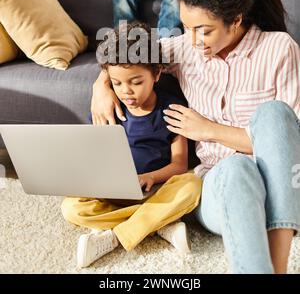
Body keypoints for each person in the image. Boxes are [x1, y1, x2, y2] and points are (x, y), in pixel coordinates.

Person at [91, 0, 300, 274]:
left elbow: (288, 142)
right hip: (221, 187)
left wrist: (210, 130)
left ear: (236, 20)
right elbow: (128, 58)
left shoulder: (278, 49)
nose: (192, 40)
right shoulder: (186, 50)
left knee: (275, 114)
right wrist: (101, 86)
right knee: (236, 167)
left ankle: (278, 266)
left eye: (204, 31)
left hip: (279, 184)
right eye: (186, 28)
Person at [61, 22, 202, 269]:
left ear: (157, 73)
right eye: (116, 83)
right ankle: (157, 225)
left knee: (191, 185)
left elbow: (179, 165)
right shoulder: (108, 109)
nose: (126, 91)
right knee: (71, 207)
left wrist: (150, 176)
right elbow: (94, 155)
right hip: (114, 195)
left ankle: (116, 235)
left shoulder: (172, 110)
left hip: (156, 191)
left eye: (136, 82)